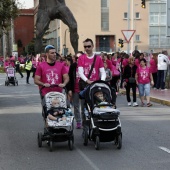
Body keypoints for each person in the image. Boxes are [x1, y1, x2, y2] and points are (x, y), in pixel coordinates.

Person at [78, 38, 106, 127]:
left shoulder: (98, 59)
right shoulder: (81, 58)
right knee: (84, 107)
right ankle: (85, 125)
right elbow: (80, 72)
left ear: (93, 46)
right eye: (85, 46)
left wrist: (101, 81)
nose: (87, 48)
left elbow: (103, 72)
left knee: (98, 104)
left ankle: (98, 123)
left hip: (96, 86)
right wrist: (87, 81)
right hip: (85, 85)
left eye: (89, 46)